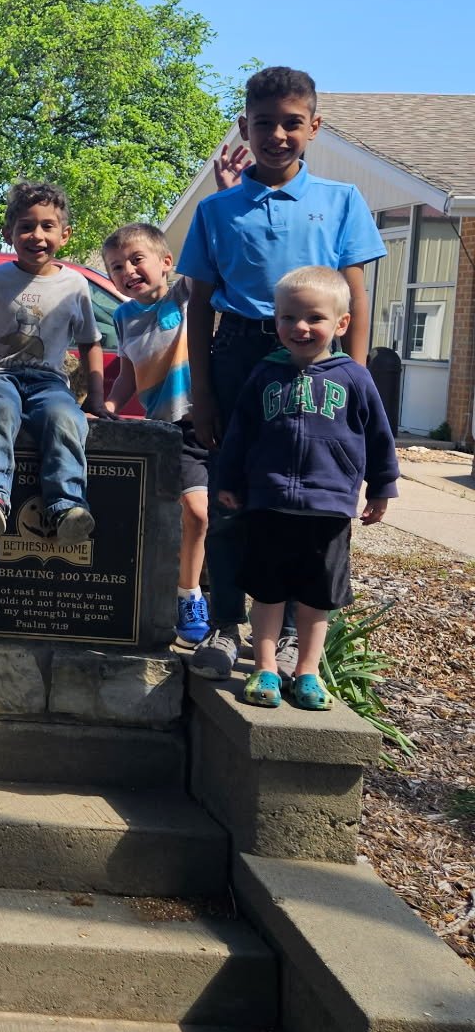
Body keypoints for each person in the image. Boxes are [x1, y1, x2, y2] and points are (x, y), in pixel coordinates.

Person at [179, 66, 385, 680]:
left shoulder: (342, 202)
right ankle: (224, 624)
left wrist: (355, 376)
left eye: (292, 123)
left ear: (314, 127)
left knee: (305, 503)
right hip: (240, 352)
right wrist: (205, 395)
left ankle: (296, 641)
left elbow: (356, 295)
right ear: (245, 126)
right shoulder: (217, 210)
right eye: (263, 123)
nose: (277, 134)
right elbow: (198, 302)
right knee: (232, 497)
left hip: (321, 364)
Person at [215, 267, 398, 711]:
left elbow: (379, 436)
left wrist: (381, 487)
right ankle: (264, 668)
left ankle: (308, 673)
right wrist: (229, 481)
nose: (300, 327)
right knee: (269, 590)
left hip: (329, 508)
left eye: (314, 318)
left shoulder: (354, 378)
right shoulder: (264, 375)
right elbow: (240, 434)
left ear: (341, 324)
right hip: (270, 503)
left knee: (317, 598)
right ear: (275, 321)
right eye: (288, 317)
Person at [0, 181, 104, 545]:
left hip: (48, 380)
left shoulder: (75, 285)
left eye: (47, 226)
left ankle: (67, 506)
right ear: (9, 233)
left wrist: (97, 400)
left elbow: (90, 343)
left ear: (65, 234)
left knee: (65, 419)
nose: (36, 235)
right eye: (25, 226)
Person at [101, 223, 212, 648]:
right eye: (116, 267)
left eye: (136, 259)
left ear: (166, 263)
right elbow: (129, 370)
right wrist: (110, 405)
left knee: (217, 516)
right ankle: (188, 596)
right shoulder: (122, 315)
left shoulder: (182, 297)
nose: (127, 270)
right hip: (169, 429)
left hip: (206, 417)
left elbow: (204, 265)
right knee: (196, 514)